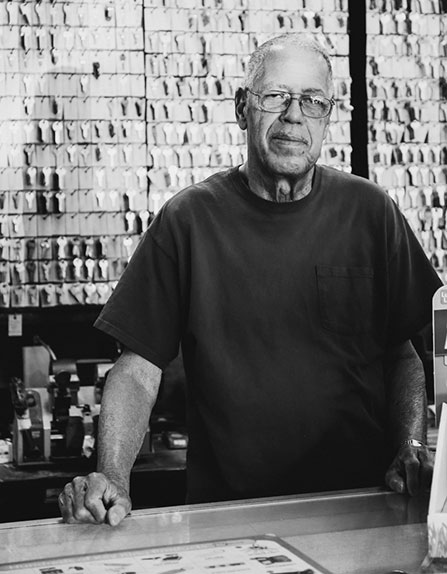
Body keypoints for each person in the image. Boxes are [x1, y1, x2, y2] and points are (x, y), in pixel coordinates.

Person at [59, 32, 441, 525]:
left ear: (328, 116)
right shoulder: (188, 220)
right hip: (230, 516)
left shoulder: (371, 212)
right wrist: (112, 474)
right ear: (243, 108)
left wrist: (411, 446)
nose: (294, 116)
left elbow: (404, 350)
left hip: (360, 510)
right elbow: (137, 370)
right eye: (276, 97)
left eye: (312, 101)